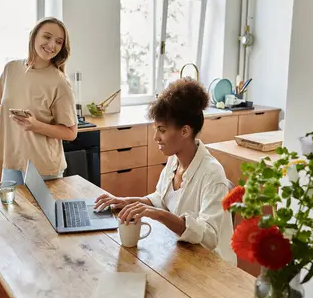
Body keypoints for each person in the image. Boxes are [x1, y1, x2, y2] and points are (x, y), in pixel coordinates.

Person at [94, 78, 237, 264]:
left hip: (213, 267)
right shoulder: (174, 160)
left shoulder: (212, 174)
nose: (156, 137)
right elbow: (160, 199)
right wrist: (125, 201)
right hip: (184, 254)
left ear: (185, 131)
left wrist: (158, 214)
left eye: (161, 130)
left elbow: (209, 237)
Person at [0, 17, 78, 184]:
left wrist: (36, 125)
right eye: (47, 37)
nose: (52, 45)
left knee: (38, 211)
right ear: (34, 36)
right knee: (10, 210)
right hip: (13, 160)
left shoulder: (59, 81)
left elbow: (71, 133)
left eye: (59, 42)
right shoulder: (11, 69)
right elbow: (10, 111)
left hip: (42, 165)